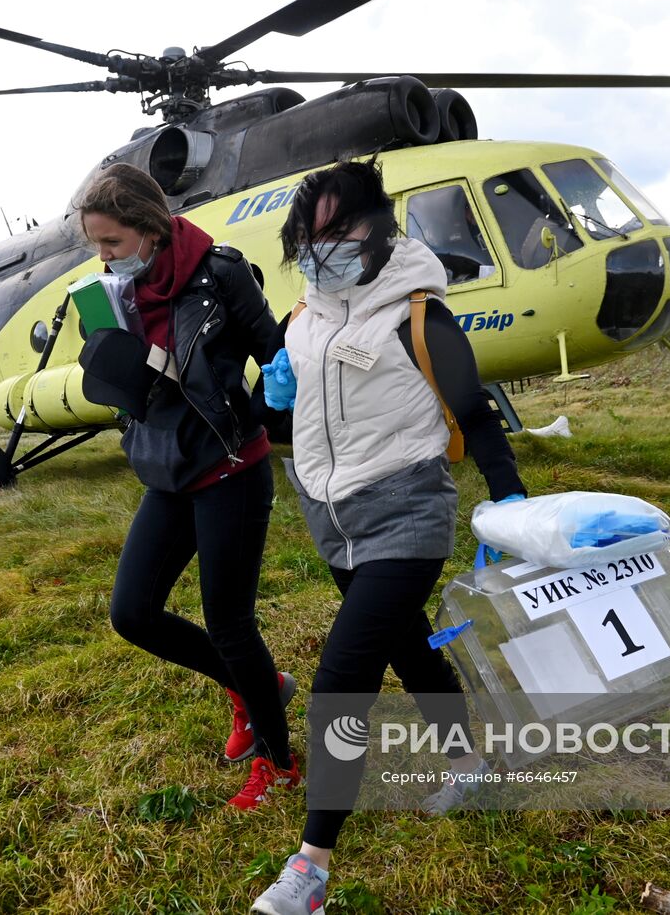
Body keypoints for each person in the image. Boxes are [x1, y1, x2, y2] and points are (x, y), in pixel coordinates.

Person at [248, 160, 527, 915]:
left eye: (337, 229)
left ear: (379, 225)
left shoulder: (416, 313)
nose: (320, 247)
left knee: (343, 674)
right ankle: (471, 765)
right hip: (331, 518)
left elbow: (475, 412)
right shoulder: (301, 320)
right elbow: (278, 421)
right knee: (408, 647)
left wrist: (512, 504)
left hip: (407, 510)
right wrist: (269, 394)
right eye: (307, 235)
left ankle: (310, 869)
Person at [76, 163, 298, 810]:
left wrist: (266, 408)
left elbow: (277, 351)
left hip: (229, 465)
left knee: (230, 623)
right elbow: (130, 388)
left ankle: (278, 763)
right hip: (165, 470)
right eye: (96, 244)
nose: (104, 256)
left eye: (112, 242)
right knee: (132, 612)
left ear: (149, 229)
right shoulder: (112, 293)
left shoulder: (219, 272)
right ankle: (252, 688)